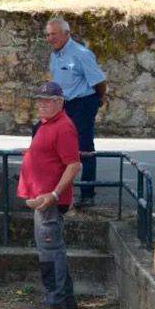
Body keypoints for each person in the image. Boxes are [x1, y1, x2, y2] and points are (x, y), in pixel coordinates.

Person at [17, 82, 83, 309]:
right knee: (52, 249)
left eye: (47, 100)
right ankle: (64, 298)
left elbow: (74, 165)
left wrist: (54, 194)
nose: (41, 104)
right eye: (40, 100)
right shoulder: (48, 125)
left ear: (59, 102)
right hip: (43, 197)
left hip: (49, 200)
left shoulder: (63, 127)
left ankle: (55, 299)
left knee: (49, 250)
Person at [45, 17, 107, 207]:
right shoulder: (54, 54)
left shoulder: (80, 54)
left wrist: (99, 99)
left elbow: (99, 81)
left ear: (66, 33)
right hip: (63, 104)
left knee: (84, 148)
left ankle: (87, 193)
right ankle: (55, 188)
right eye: (47, 35)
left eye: (54, 34)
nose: (50, 38)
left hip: (82, 103)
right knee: (52, 141)